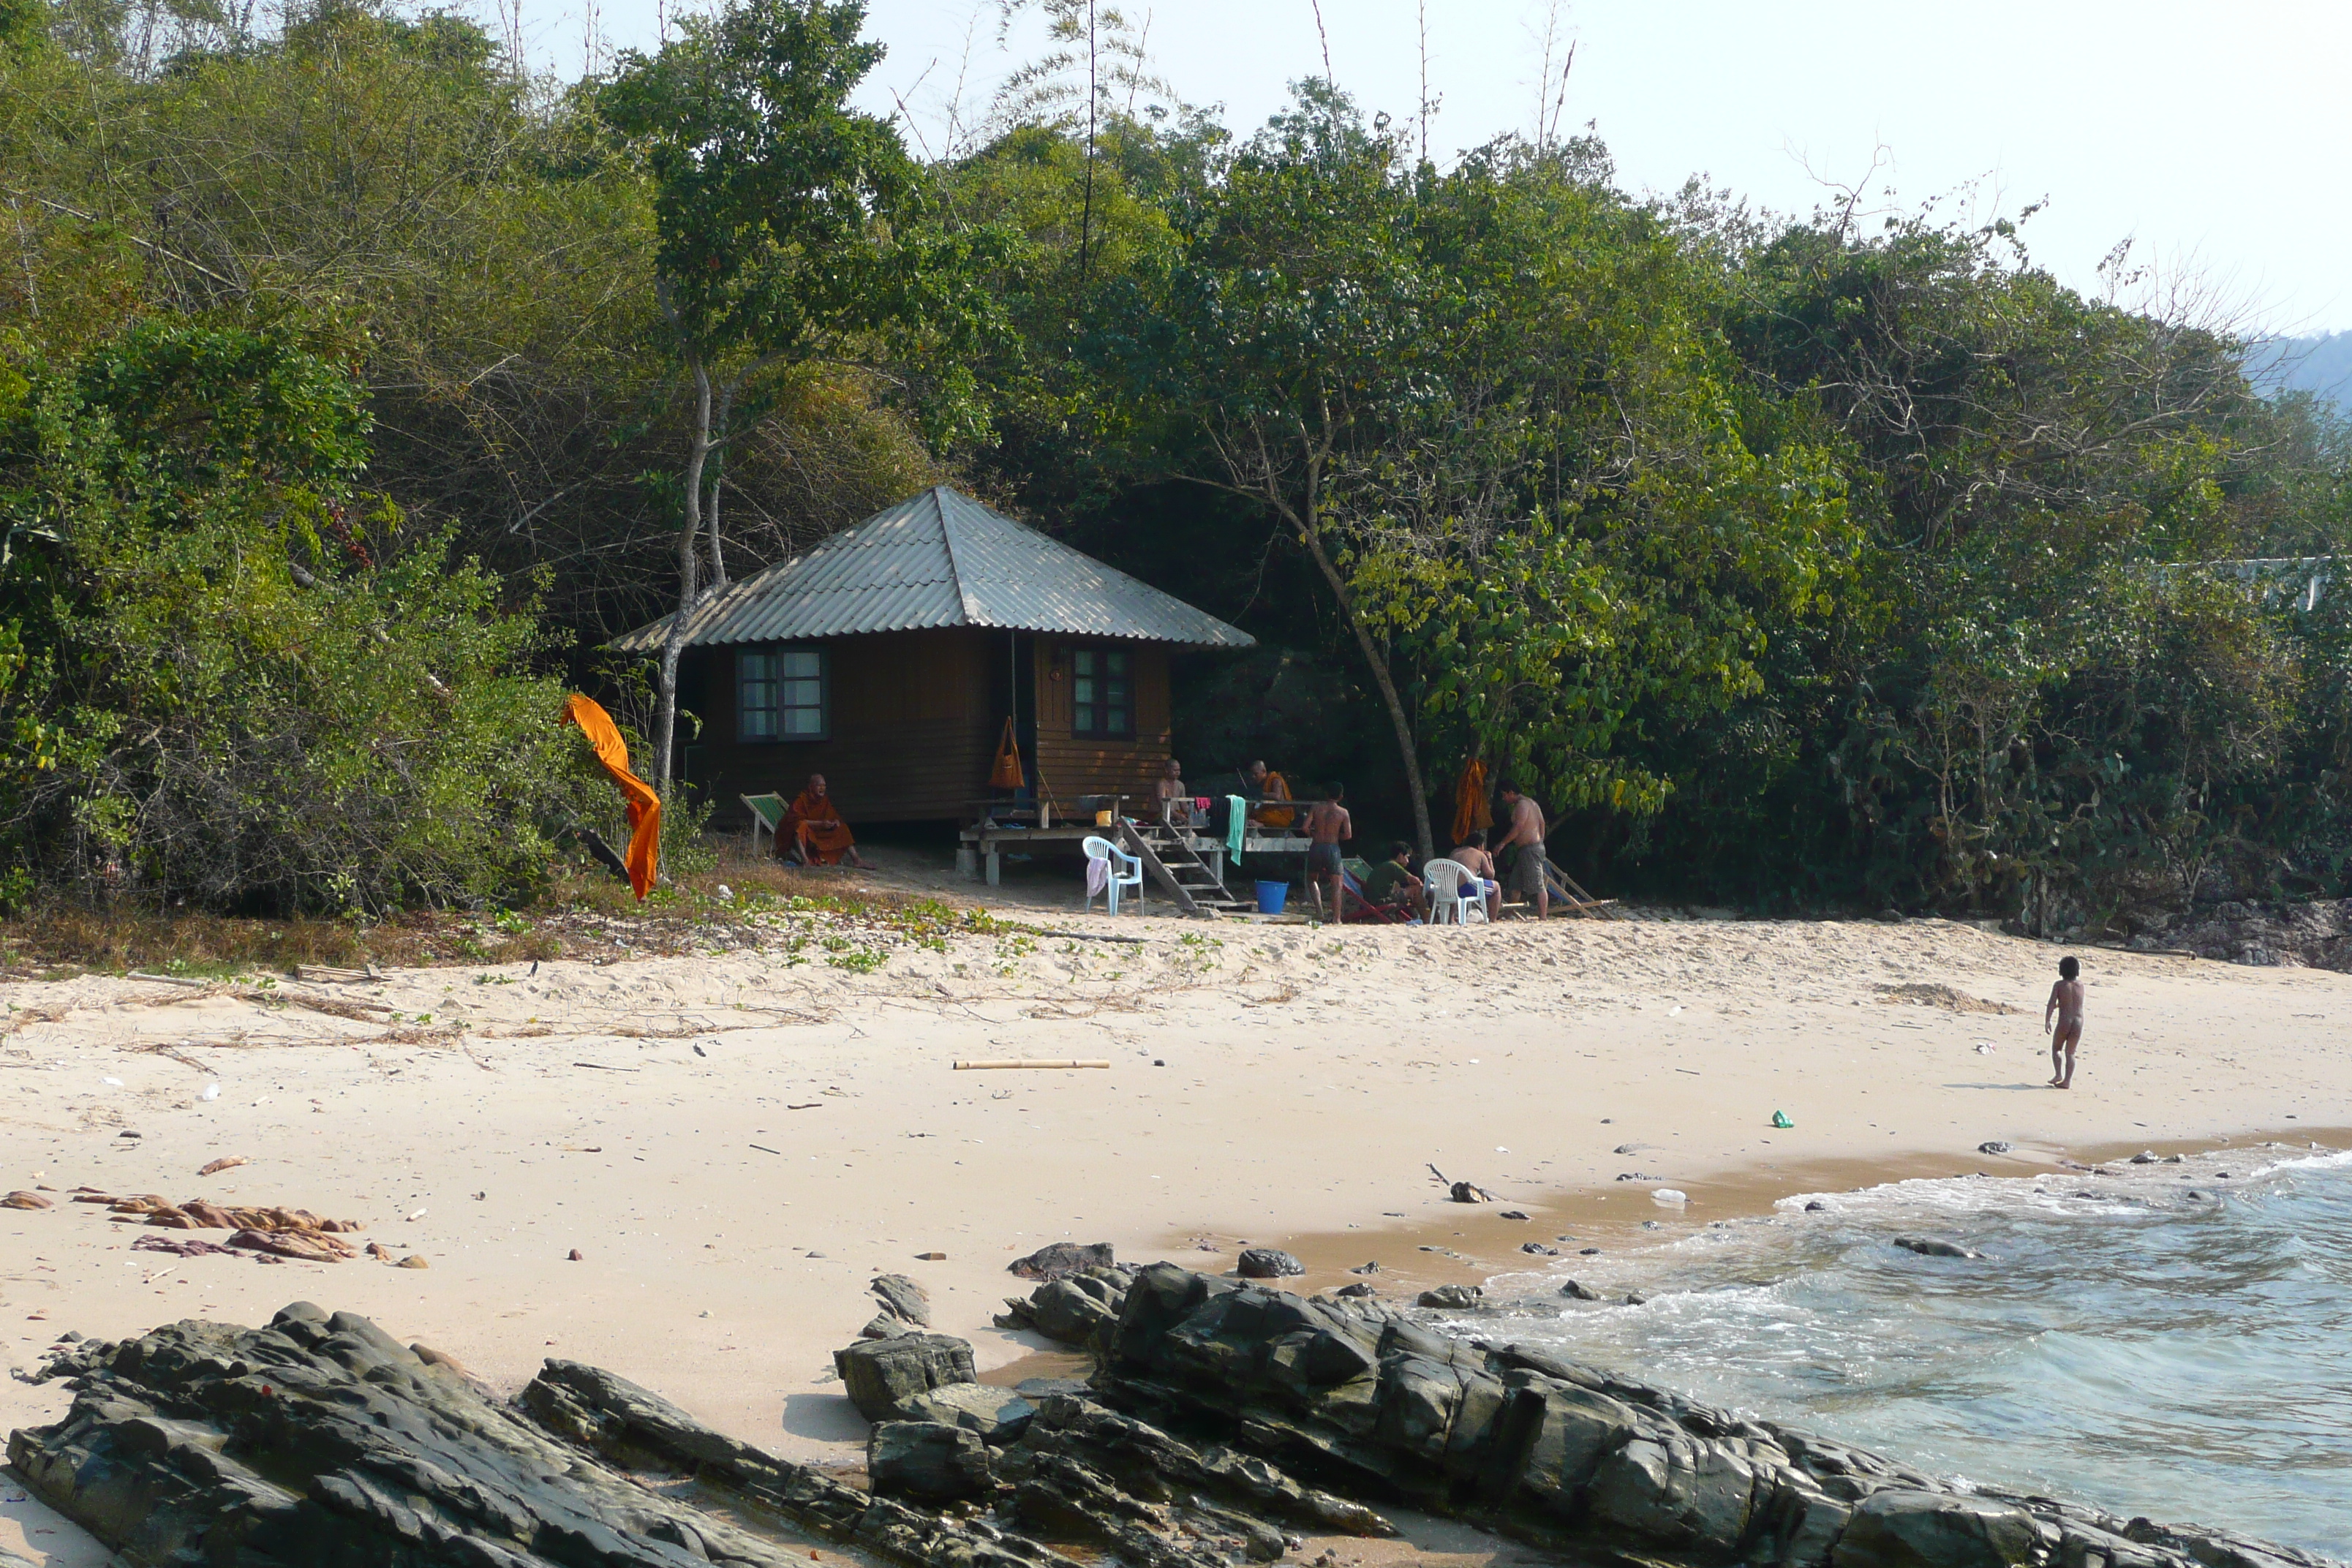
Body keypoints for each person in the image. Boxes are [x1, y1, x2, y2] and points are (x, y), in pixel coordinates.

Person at [786, 773, 872, 868]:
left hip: (819, 833)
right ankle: (805, 861)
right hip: (807, 834)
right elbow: (796, 822)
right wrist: (821, 824)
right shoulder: (801, 800)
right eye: (819, 785)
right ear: (811, 787)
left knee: (842, 828)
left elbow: (832, 815)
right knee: (800, 826)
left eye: (824, 786)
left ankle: (857, 860)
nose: (822, 788)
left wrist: (835, 821)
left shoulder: (824, 800)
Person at [1493, 780, 1548, 919]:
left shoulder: (1522, 805)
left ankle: (1543, 916)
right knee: (1515, 883)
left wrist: (1503, 843)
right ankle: (1510, 913)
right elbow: (1542, 824)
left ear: (1511, 793)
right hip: (1528, 848)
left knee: (1538, 884)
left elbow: (1519, 826)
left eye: (1504, 795)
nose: (1504, 799)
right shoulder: (1533, 803)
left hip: (1531, 849)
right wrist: (1540, 840)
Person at [1299, 783, 1352, 921]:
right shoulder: (1343, 812)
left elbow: (1305, 827)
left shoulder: (1316, 807)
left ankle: (1320, 912)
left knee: (1312, 879)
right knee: (1337, 883)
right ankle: (1336, 918)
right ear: (1341, 796)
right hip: (1333, 848)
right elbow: (1348, 835)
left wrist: (1313, 834)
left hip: (1317, 846)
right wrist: (1335, 836)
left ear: (1326, 794)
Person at [1359, 840, 1427, 919]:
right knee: (1416, 889)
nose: (1408, 861)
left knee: (1408, 891)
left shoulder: (1385, 866)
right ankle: (1427, 919)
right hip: (1380, 903)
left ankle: (1417, 918)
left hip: (1373, 902)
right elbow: (1415, 881)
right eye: (1407, 857)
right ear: (1401, 856)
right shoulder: (1393, 865)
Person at [2045, 955, 2084, 1089]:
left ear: (2061, 971)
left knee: (2056, 1048)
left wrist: (2048, 1020)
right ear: (2077, 971)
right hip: (2078, 1022)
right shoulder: (2080, 986)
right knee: (2071, 1053)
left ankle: (2058, 1075)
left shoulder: (2059, 985)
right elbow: (2073, 1003)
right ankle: (2067, 1081)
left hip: (2064, 1021)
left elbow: (2052, 1003)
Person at [1449, 828, 1502, 923]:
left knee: (1455, 881)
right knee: (1497, 887)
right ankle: (1493, 920)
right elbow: (1490, 875)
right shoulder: (1479, 854)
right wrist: (1489, 858)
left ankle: (1450, 918)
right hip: (1467, 887)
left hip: (1450, 888)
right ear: (1480, 845)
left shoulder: (1455, 852)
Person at [1245, 759, 1296, 831]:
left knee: (1265, 816)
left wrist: (1259, 794)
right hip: (1268, 812)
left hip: (1281, 815)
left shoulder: (1275, 779)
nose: (1253, 777)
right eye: (1252, 774)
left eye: (1256, 774)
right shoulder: (1261, 783)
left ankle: (1262, 825)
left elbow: (1277, 796)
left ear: (1264, 771)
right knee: (1253, 815)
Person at [1156, 758, 1190, 826]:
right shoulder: (1161, 784)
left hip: (1176, 816)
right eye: (1175, 770)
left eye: (1179, 770)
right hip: (1160, 816)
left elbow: (1184, 804)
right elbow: (1163, 804)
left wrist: (1191, 813)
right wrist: (1177, 816)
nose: (1177, 772)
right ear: (1167, 770)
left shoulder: (1180, 785)